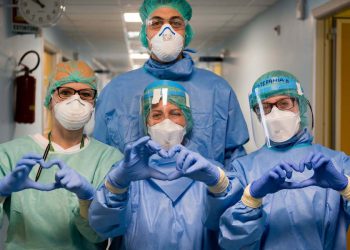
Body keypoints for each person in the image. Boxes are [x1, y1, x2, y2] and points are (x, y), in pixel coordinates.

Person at [89, 80, 243, 250]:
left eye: (175, 113)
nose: (166, 122)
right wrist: (116, 185)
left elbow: (233, 230)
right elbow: (103, 227)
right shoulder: (127, 172)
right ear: (145, 122)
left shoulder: (208, 171)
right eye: (156, 115)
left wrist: (218, 185)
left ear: (187, 119)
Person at [93, 0, 249, 166]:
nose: (166, 32)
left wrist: (219, 185)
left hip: (205, 190)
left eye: (175, 23)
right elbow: (102, 158)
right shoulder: (116, 91)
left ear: (186, 31)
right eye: (156, 23)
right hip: (132, 191)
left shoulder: (217, 89)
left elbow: (235, 160)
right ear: (145, 32)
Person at [219, 70, 350, 250]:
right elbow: (231, 242)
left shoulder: (337, 163)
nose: (275, 114)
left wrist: (346, 187)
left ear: (300, 106)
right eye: (265, 107)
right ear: (257, 114)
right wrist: (251, 198)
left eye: (284, 103)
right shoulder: (242, 168)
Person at [0, 60, 123, 250]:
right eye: (65, 92)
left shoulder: (108, 159)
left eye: (85, 94)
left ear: (93, 104)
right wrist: (1, 193)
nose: (75, 101)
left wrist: (87, 199)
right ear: (49, 98)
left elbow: (100, 234)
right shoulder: (10, 153)